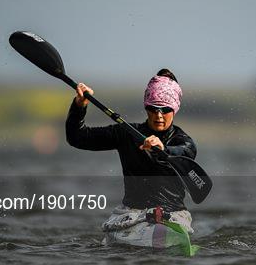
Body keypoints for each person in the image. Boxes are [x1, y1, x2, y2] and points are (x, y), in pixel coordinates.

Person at [66, 69, 197, 247]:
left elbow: (185, 152)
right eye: (153, 108)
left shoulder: (183, 141)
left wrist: (163, 149)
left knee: (164, 221)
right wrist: (79, 106)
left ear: (174, 109)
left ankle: (168, 236)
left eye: (165, 110)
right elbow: (77, 138)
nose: (159, 115)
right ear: (146, 107)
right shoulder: (126, 134)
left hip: (173, 215)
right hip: (132, 214)